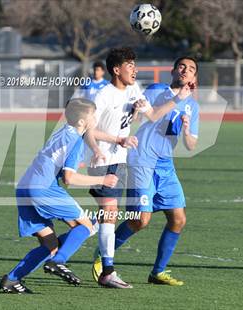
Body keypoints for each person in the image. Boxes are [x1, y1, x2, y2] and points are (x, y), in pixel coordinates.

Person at [0, 98, 118, 294]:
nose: (96, 119)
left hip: (24, 188)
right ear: (82, 121)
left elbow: (57, 162)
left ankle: (11, 280)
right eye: (93, 115)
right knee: (85, 226)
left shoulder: (63, 131)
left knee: (50, 243)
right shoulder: (76, 141)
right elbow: (69, 178)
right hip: (43, 188)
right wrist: (103, 181)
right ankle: (58, 261)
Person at [100, 56, 199, 286]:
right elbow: (149, 115)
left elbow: (192, 144)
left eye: (191, 69)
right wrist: (177, 98)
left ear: (194, 77)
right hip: (142, 160)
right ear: (173, 71)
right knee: (139, 221)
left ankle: (158, 272)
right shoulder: (157, 90)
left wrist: (186, 130)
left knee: (178, 219)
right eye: (182, 66)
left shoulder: (192, 105)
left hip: (165, 165)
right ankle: (103, 258)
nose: (186, 70)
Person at [85, 47, 144, 288]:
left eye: (134, 64)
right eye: (130, 65)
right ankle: (107, 271)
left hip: (119, 160)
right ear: (116, 69)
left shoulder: (132, 90)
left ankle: (60, 250)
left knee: (104, 217)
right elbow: (89, 129)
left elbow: (130, 122)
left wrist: (137, 111)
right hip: (101, 161)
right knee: (109, 213)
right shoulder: (103, 95)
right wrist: (118, 140)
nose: (135, 69)